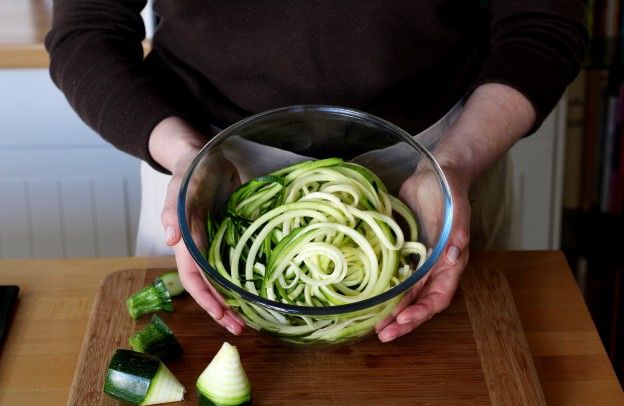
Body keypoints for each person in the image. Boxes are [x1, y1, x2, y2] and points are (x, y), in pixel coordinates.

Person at [45, 1, 587, 342]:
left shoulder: (450, 171)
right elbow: (85, 31)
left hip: (447, 164)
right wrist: (189, 161)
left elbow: (543, 22)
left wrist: (455, 165)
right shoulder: (195, 172)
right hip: (204, 173)